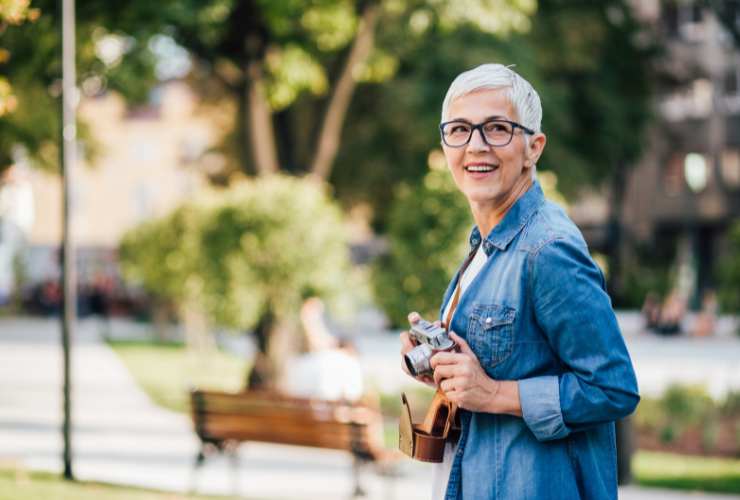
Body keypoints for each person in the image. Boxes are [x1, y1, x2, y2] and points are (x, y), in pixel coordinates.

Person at [399, 64, 639, 500]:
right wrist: (445, 371)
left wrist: (492, 393)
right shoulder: (486, 245)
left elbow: (613, 388)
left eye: (496, 128)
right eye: (460, 129)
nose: (476, 146)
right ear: (444, 143)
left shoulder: (548, 250)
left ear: (534, 147)